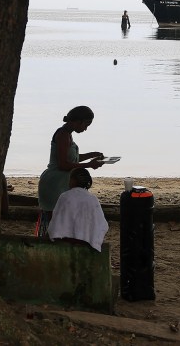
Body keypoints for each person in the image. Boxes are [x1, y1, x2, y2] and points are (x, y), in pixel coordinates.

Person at [36, 105, 105, 236]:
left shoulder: (68, 134)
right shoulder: (62, 135)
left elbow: (72, 159)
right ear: (78, 121)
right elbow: (63, 164)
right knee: (54, 224)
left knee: (59, 223)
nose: (85, 129)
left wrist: (92, 155)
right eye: (86, 125)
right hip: (54, 184)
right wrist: (89, 165)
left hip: (61, 183)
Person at [47, 167, 109, 252]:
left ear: (73, 180)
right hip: (87, 243)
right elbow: (102, 224)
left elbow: (56, 222)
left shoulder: (65, 197)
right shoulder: (93, 199)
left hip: (65, 242)